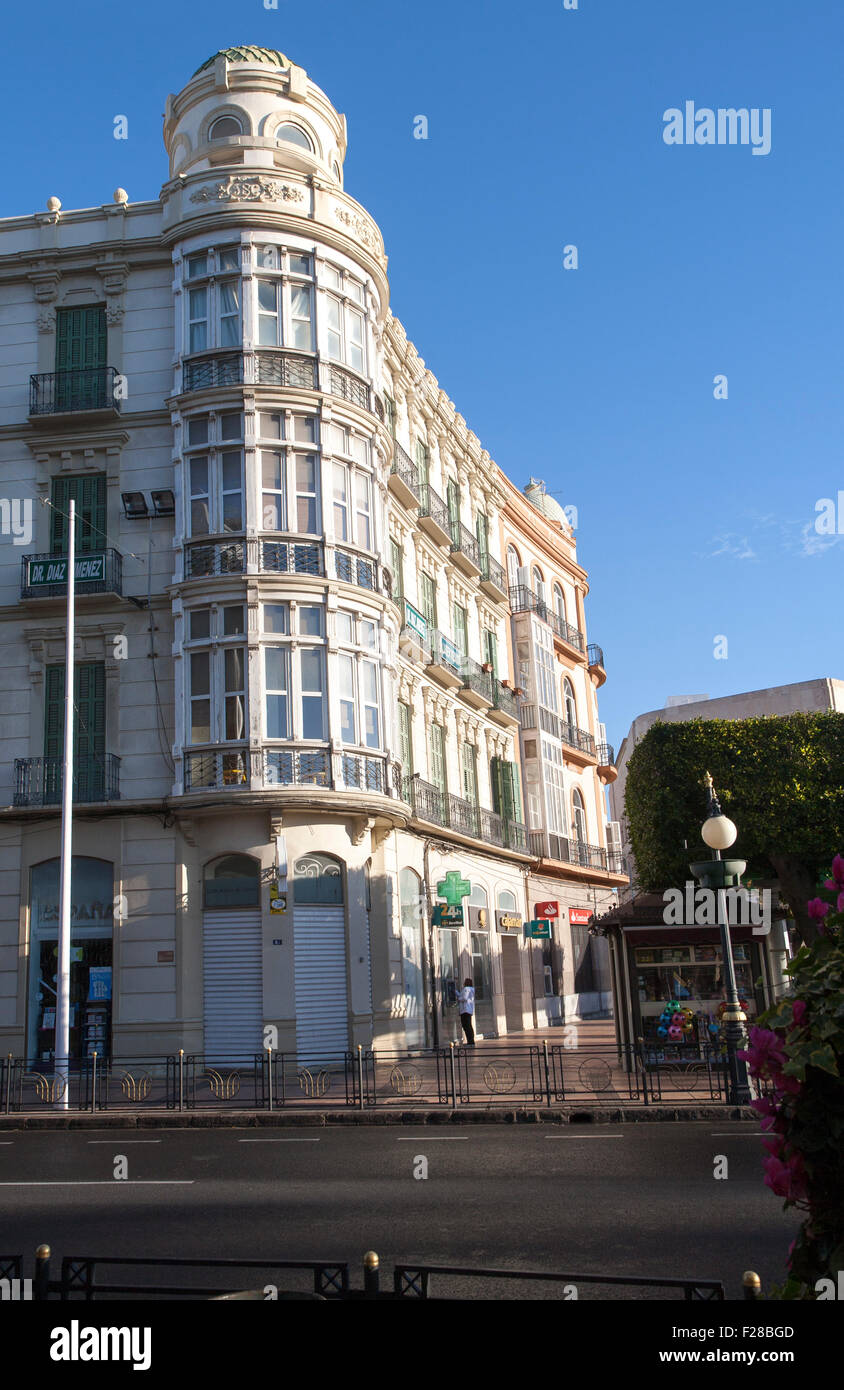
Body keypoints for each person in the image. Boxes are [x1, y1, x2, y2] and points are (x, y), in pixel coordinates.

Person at [457, 977, 475, 1045]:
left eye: (464, 981)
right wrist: (457, 993)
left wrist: (459, 999)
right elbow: (463, 996)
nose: (463, 983)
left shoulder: (466, 989)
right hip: (469, 1010)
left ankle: (470, 1041)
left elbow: (464, 998)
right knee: (468, 1026)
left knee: (466, 1026)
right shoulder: (471, 989)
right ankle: (471, 1041)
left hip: (465, 1010)